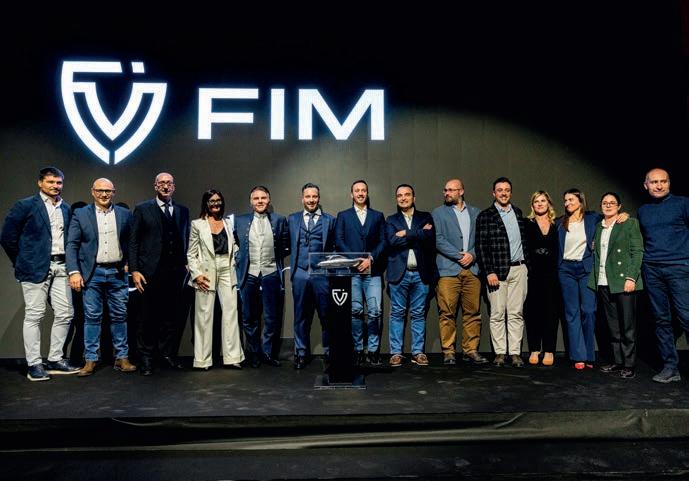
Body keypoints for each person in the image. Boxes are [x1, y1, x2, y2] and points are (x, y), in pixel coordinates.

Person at [0, 166, 79, 381]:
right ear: (40, 183)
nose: (55, 186)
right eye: (51, 182)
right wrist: (22, 261)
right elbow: (7, 237)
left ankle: (55, 359)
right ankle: (34, 364)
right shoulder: (25, 205)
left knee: (65, 314)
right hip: (34, 267)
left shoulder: (66, 208)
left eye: (59, 182)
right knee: (35, 315)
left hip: (61, 266)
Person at [65, 178, 136, 376]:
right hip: (92, 273)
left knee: (120, 316)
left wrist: (129, 263)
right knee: (92, 317)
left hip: (117, 273)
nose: (104, 194)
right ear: (92, 192)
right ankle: (91, 359)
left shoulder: (124, 214)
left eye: (108, 191)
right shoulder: (81, 214)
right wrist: (74, 271)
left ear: (114, 192)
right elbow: (72, 244)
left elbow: (131, 242)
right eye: (100, 190)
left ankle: (122, 357)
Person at [129, 172, 190, 376]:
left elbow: (185, 238)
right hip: (150, 272)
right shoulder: (143, 208)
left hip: (176, 272)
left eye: (169, 183)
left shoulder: (182, 211)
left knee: (170, 317)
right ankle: (146, 358)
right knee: (147, 317)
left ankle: (167, 354)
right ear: (155, 186)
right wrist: (135, 270)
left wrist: (187, 263)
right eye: (161, 183)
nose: (165, 186)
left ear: (174, 187)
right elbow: (134, 241)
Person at [638, 168, 689, 383]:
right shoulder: (643, 210)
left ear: (669, 183)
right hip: (652, 269)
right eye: (654, 182)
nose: (659, 185)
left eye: (663, 181)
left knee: (686, 317)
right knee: (661, 320)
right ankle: (670, 368)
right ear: (646, 185)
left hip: (679, 267)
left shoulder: (683, 203)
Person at [587, 192, 643, 379]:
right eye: (605, 203)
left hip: (623, 282)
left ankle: (629, 364)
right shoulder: (599, 226)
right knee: (613, 326)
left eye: (612, 203)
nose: (608, 205)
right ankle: (618, 361)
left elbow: (637, 251)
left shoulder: (629, 223)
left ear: (619, 206)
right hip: (604, 281)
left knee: (627, 326)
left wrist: (631, 278)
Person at [476, 177, 529, 368]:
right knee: (498, 313)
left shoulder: (518, 213)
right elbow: (481, 247)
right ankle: (500, 352)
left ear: (511, 193)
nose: (504, 193)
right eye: (500, 190)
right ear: (494, 193)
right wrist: (488, 271)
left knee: (516, 313)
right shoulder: (485, 216)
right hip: (496, 272)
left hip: (519, 269)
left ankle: (514, 353)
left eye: (507, 190)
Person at [432, 178, 486, 366]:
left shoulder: (476, 213)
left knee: (473, 312)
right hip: (448, 270)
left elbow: (481, 239)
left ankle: (471, 350)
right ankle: (449, 351)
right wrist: (459, 256)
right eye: (445, 190)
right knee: (447, 313)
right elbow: (437, 239)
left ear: (461, 191)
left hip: (472, 270)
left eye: (451, 190)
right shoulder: (438, 213)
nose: (446, 193)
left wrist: (472, 255)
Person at [187, 189, 244, 370]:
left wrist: (235, 260)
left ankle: (233, 357)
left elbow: (234, 245)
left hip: (227, 268)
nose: (216, 204)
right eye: (212, 201)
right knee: (204, 315)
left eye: (218, 200)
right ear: (206, 203)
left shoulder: (228, 222)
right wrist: (196, 274)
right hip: (205, 271)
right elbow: (191, 253)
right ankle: (202, 360)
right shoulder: (197, 224)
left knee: (231, 313)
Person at [234, 186, 290, 368]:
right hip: (249, 274)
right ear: (251, 201)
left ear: (269, 200)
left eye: (263, 198)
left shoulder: (279, 220)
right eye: (256, 198)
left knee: (271, 317)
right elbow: (234, 244)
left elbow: (285, 245)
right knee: (249, 317)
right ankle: (254, 353)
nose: (260, 201)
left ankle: (267, 353)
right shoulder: (239, 221)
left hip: (270, 273)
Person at [334, 179, 386, 366]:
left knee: (375, 311)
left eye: (364, 190)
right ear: (352, 194)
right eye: (357, 190)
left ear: (367, 193)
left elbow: (383, 241)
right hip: (352, 271)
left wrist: (370, 259)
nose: (360, 193)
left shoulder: (377, 216)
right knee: (355, 311)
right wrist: (355, 260)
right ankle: (357, 350)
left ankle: (373, 350)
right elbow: (339, 241)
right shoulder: (343, 216)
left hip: (373, 272)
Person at [385, 184, 438, 367]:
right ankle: (396, 353)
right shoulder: (391, 220)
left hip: (421, 274)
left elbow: (429, 238)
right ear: (396, 199)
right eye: (399, 195)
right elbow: (392, 241)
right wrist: (418, 234)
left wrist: (406, 233)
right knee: (397, 314)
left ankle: (418, 352)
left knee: (418, 314)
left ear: (414, 198)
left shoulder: (425, 217)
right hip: (399, 274)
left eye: (407, 195)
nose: (403, 198)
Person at [288, 183, 336, 369]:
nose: (311, 200)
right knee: (301, 315)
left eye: (314, 196)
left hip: (321, 273)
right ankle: (301, 353)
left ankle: (329, 352)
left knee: (326, 315)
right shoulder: (292, 219)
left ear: (319, 198)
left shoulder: (329, 220)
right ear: (302, 199)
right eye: (307, 196)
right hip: (300, 272)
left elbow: (334, 247)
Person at [523, 191, 560, 366]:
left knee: (551, 312)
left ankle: (549, 350)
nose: (539, 204)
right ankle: (534, 349)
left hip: (552, 274)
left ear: (549, 203)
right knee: (533, 312)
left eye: (543, 200)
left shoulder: (558, 223)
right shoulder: (526, 223)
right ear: (532, 205)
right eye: (536, 201)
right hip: (532, 274)